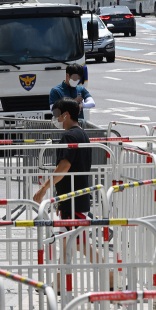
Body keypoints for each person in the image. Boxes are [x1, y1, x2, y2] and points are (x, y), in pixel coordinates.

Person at [33, 97, 113, 289]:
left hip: (72, 199)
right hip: (77, 197)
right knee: (70, 241)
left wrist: (44, 188)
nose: (55, 118)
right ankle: (60, 283)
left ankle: (109, 275)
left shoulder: (69, 137)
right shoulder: (82, 134)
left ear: (66, 115)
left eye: (56, 114)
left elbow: (64, 166)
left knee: (78, 243)